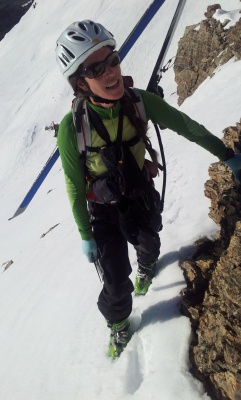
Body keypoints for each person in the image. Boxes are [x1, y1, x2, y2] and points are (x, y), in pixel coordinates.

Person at [55, 20, 241, 358]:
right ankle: (118, 325)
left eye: (112, 59)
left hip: (138, 194)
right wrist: (85, 233)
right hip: (102, 209)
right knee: (114, 279)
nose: (110, 71)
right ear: (80, 82)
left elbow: (187, 127)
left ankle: (146, 268)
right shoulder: (73, 128)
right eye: (96, 68)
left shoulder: (139, 103)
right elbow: (72, 182)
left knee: (149, 243)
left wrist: (227, 155)